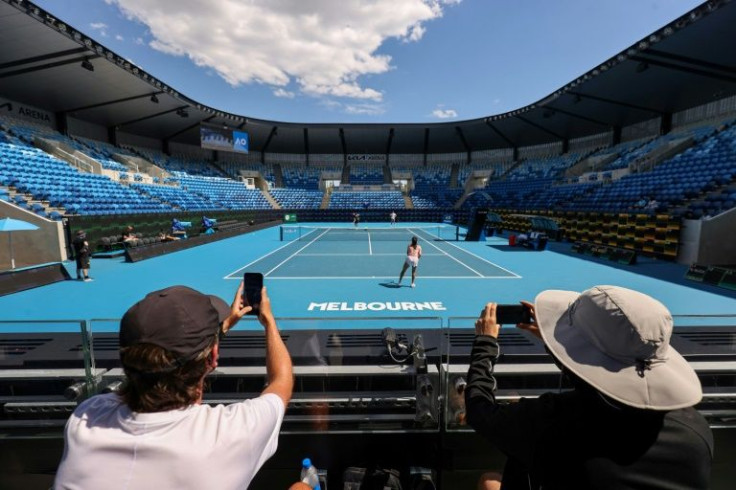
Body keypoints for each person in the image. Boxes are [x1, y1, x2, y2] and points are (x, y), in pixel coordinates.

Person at [466, 286, 713, 490]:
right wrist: (561, 345)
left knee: (489, 483)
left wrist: (486, 343)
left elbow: (480, 411)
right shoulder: (695, 428)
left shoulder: (550, 422)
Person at [54, 283, 293, 489]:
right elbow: (280, 381)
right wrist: (269, 322)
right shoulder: (233, 432)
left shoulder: (86, 417)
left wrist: (220, 332)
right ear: (212, 358)